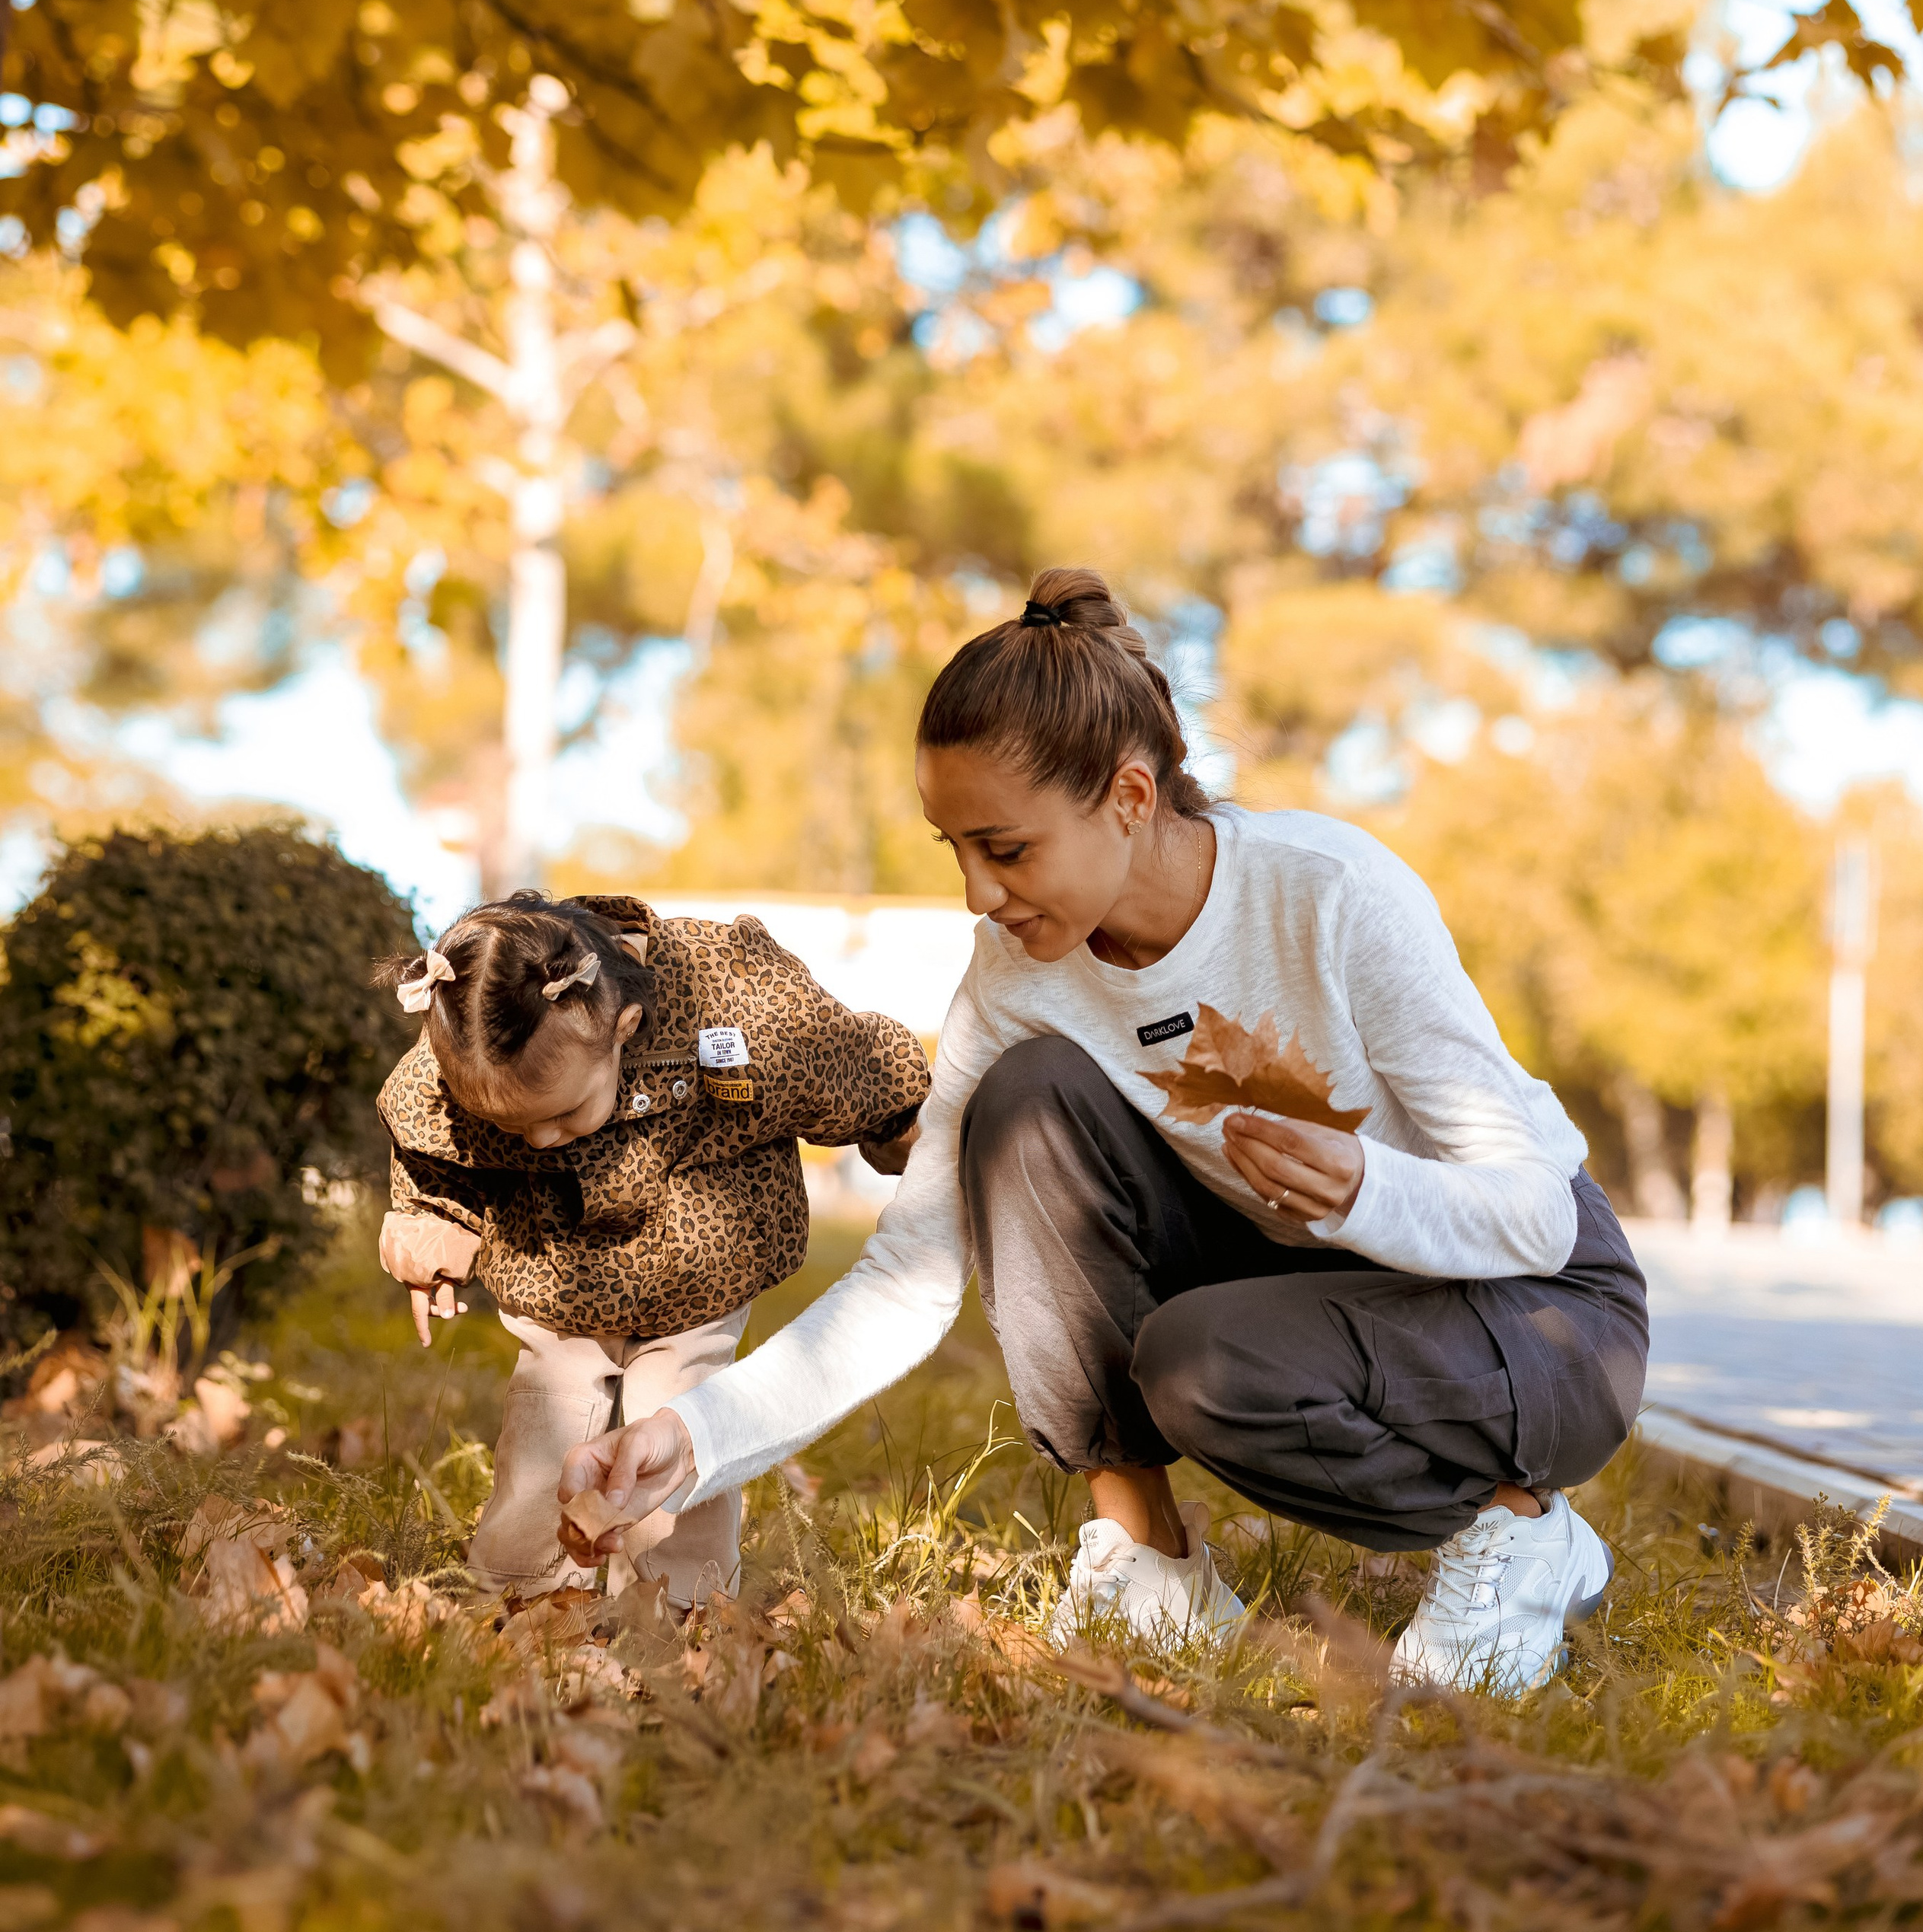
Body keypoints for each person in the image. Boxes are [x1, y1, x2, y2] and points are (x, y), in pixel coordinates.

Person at [556, 578, 1650, 1692]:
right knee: (1024, 1106)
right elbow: (907, 1276)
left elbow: (1537, 1211)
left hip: (1538, 1312)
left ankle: (1521, 1532)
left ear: (1130, 795)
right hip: (1305, 1296)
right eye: (954, 850)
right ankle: (1152, 1564)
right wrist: (690, 1442)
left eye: (1007, 849)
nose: (979, 893)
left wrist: (1370, 1188)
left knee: (1204, 1361)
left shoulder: (1329, 894)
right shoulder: (1019, 980)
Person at [374, 888, 926, 1611]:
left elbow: (838, 1059)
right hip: (555, 1276)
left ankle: (680, 1606)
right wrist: (429, 1217)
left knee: (678, 1420)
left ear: (624, 1028)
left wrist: (901, 1122)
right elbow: (429, 1143)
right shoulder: (478, 1039)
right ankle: (520, 1594)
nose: (539, 1138)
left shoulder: (735, 1003)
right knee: (549, 1422)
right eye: (513, 1128)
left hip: (697, 1276)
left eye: (564, 1113)